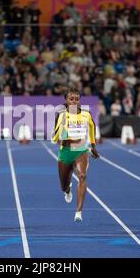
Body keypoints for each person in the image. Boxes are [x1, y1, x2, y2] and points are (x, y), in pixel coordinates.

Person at [51, 87, 100, 222]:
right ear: (66, 100)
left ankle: (78, 212)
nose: (74, 101)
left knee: (82, 176)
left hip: (81, 151)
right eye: (71, 99)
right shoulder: (61, 116)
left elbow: (92, 127)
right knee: (63, 186)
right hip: (66, 152)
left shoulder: (86, 114)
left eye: (76, 99)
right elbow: (54, 138)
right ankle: (68, 190)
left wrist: (93, 146)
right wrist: (66, 139)